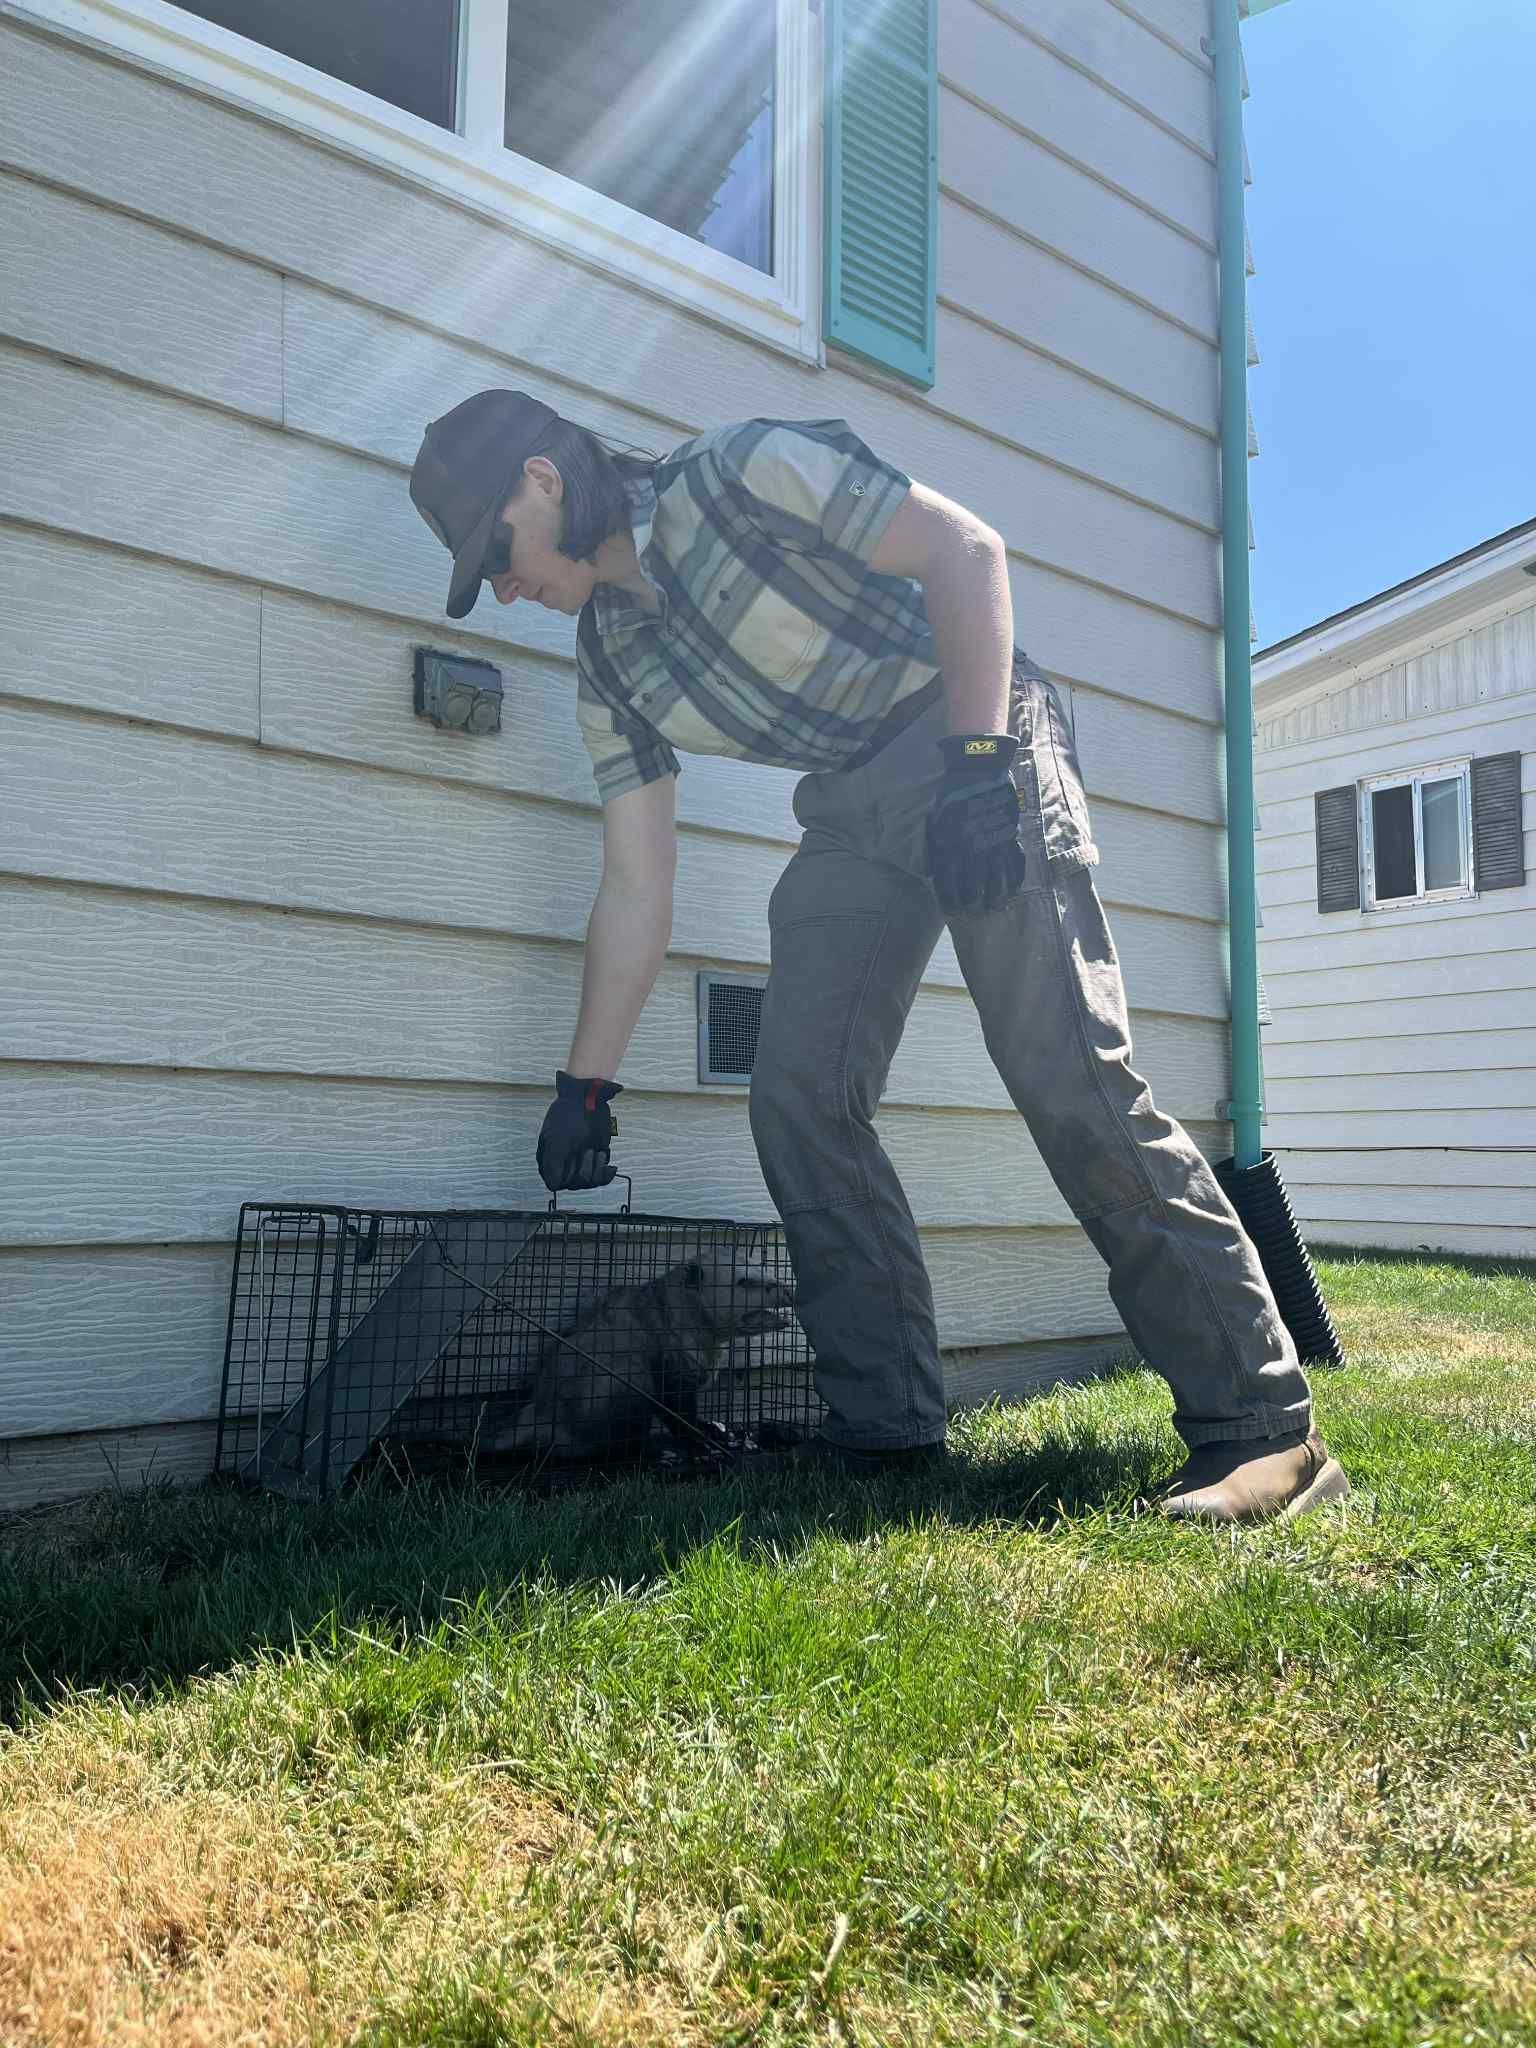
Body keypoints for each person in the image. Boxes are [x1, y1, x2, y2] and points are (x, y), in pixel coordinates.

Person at [409, 389, 1350, 1526]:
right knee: (799, 1094)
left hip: (975, 728)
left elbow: (966, 551)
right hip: (852, 809)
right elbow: (635, 883)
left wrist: (974, 761)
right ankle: (887, 1431)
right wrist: (584, 1084)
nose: (502, 587)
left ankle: (1264, 1433)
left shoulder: (738, 470)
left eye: (494, 552)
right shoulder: (611, 665)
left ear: (545, 481)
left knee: (1067, 1072)